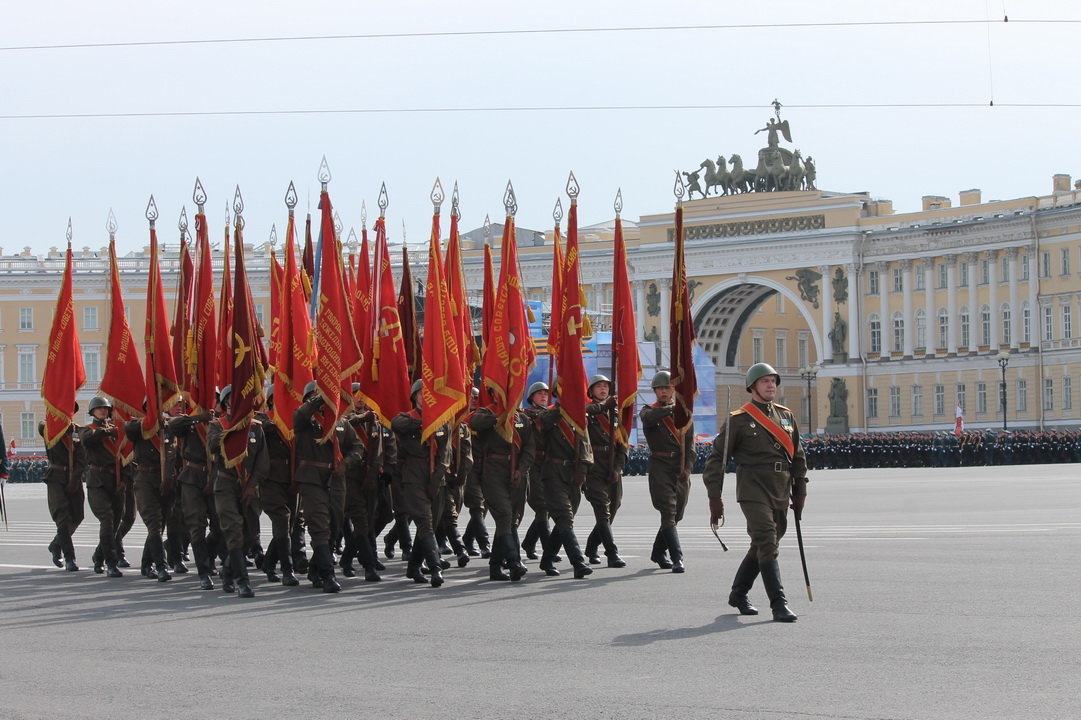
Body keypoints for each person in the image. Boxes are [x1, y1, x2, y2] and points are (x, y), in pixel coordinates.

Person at [702, 362, 807, 623]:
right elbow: (717, 459)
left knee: (764, 543)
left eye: (773, 381)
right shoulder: (740, 419)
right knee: (767, 541)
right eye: (765, 382)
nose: (771, 385)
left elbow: (798, 456)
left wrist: (800, 491)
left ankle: (738, 593)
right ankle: (779, 604)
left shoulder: (786, 416)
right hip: (753, 489)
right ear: (753, 387)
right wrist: (714, 497)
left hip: (780, 487)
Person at [294, 381, 361, 593]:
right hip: (313, 479)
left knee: (334, 525)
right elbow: (300, 416)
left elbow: (358, 447)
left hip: (337, 479)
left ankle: (315, 569)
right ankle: (328, 574)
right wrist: (319, 398)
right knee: (319, 526)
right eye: (314, 395)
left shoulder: (340, 422)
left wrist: (346, 463)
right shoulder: (305, 420)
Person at [207, 385, 269, 598]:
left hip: (249, 486)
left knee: (251, 535)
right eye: (233, 398)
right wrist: (234, 428)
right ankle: (243, 581)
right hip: (226, 484)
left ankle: (227, 569)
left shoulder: (256, 427)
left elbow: (262, 459)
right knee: (233, 531)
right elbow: (214, 445)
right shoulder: (218, 425)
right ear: (226, 403)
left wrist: (253, 485)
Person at [392, 380, 453, 587]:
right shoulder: (406, 419)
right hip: (413, 476)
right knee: (425, 522)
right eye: (420, 394)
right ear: (414, 397)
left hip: (436, 477)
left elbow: (446, 453)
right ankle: (435, 568)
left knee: (430, 524)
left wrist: (438, 479)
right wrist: (425, 423)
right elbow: (396, 424)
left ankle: (414, 565)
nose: (424, 398)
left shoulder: (443, 423)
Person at [469, 387, 533, 581]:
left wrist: (520, 470)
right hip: (492, 471)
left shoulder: (522, 418)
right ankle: (514, 561)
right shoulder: (486, 413)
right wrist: (500, 415)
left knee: (510, 519)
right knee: (504, 514)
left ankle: (495, 567)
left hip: (515, 472)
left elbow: (530, 448)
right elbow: (474, 422)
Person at [638, 371, 694, 573]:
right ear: (654, 391)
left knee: (677, 514)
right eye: (660, 388)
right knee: (668, 512)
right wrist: (671, 409)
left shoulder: (683, 414)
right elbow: (649, 418)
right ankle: (677, 557)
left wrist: (688, 467)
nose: (664, 391)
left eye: (668, 387)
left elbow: (690, 444)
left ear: (673, 390)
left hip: (679, 467)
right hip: (660, 465)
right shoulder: (648, 410)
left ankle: (657, 552)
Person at [124, 403, 175, 582]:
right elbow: (128, 429)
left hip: (165, 481)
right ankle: (161, 566)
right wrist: (152, 420)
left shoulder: (169, 425)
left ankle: (147, 563)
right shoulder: (140, 425)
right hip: (145, 479)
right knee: (154, 523)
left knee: (160, 525)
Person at [256, 387, 300, 586]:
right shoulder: (264, 420)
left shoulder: (294, 421)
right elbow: (256, 431)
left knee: (288, 527)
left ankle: (268, 563)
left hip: (292, 478)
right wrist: (272, 424)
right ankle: (287, 570)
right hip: (271, 479)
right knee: (282, 520)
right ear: (272, 400)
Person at [582, 375, 627, 568]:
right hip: (593, 467)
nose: (603, 389)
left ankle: (592, 545)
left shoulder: (616, 413)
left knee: (613, 508)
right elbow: (586, 411)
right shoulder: (588, 410)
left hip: (612, 466)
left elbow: (623, 444)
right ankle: (612, 553)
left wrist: (617, 468)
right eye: (598, 386)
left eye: (606, 386)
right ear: (590, 391)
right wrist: (604, 406)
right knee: (602, 511)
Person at [79, 396, 124, 577]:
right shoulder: (88, 429)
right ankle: (111, 563)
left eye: (105, 409)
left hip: (115, 480)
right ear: (92, 412)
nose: (103, 411)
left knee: (115, 523)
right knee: (107, 519)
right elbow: (88, 439)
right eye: (99, 409)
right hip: (97, 480)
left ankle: (99, 556)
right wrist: (106, 431)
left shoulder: (115, 432)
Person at [38, 410, 86, 571]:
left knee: (78, 515)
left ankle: (56, 544)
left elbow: (81, 457)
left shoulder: (76, 431)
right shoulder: (49, 428)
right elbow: (41, 426)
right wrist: (58, 422)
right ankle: (69, 558)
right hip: (56, 477)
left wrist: (75, 477)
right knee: (62, 516)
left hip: (74, 477)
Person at [519, 382, 558, 563]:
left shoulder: (550, 413)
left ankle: (528, 542)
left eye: (545, 394)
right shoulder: (527, 414)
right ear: (531, 397)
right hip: (532, 463)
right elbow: (539, 417)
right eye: (539, 394)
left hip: (548, 463)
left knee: (548, 506)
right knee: (542, 506)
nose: (543, 396)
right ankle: (549, 547)